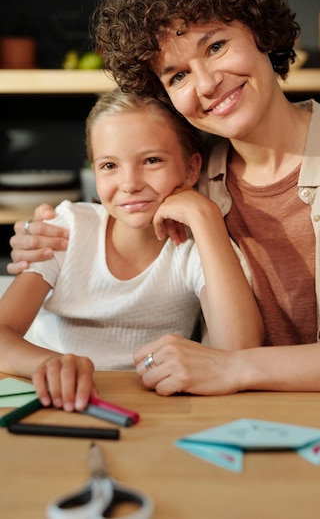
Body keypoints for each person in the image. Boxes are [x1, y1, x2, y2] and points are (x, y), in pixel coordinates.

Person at [7, 0, 320, 395]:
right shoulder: (185, 177)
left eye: (217, 46)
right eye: (177, 75)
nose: (205, 84)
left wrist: (239, 369)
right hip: (215, 424)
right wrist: (44, 233)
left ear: (261, 33)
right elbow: (117, 212)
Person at [0, 87, 263, 411]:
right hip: (49, 397)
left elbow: (239, 349)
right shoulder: (68, 228)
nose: (129, 183)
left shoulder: (195, 248)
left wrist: (204, 216)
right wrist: (50, 364)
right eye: (109, 165)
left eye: (151, 160)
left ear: (191, 168)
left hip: (147, 406)